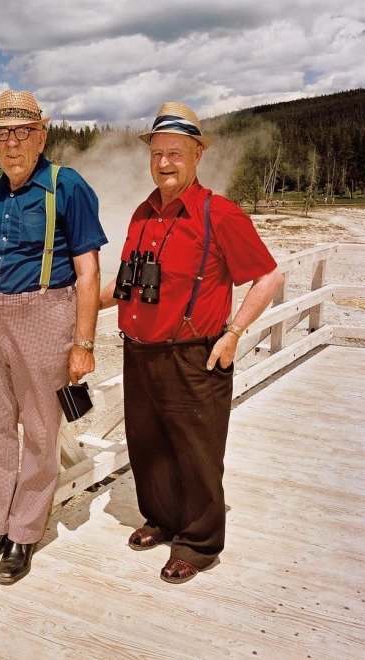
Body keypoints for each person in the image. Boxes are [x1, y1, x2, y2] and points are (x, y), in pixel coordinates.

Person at [99, 101, 283, 584]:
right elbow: (128, 283)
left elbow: (268, 277)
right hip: (139, 350)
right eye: (158, 153)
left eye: (176, 153)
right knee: (148, 445)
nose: (164, 163)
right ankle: (162, 520)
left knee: (197, 452)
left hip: (194, 355)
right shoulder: (143, 212)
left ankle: (199, 543)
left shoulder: (217, 213)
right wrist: (66, 302)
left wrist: (234, 333)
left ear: (197, 155)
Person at [0, 90, 108, 584]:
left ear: (41, 136)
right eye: (1, 133)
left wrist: (83, 343)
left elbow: (88, 272)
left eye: (22, 132)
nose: (11, 143)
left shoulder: (67, 186)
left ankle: (24, 532)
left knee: (41, 430)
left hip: (45, 313)